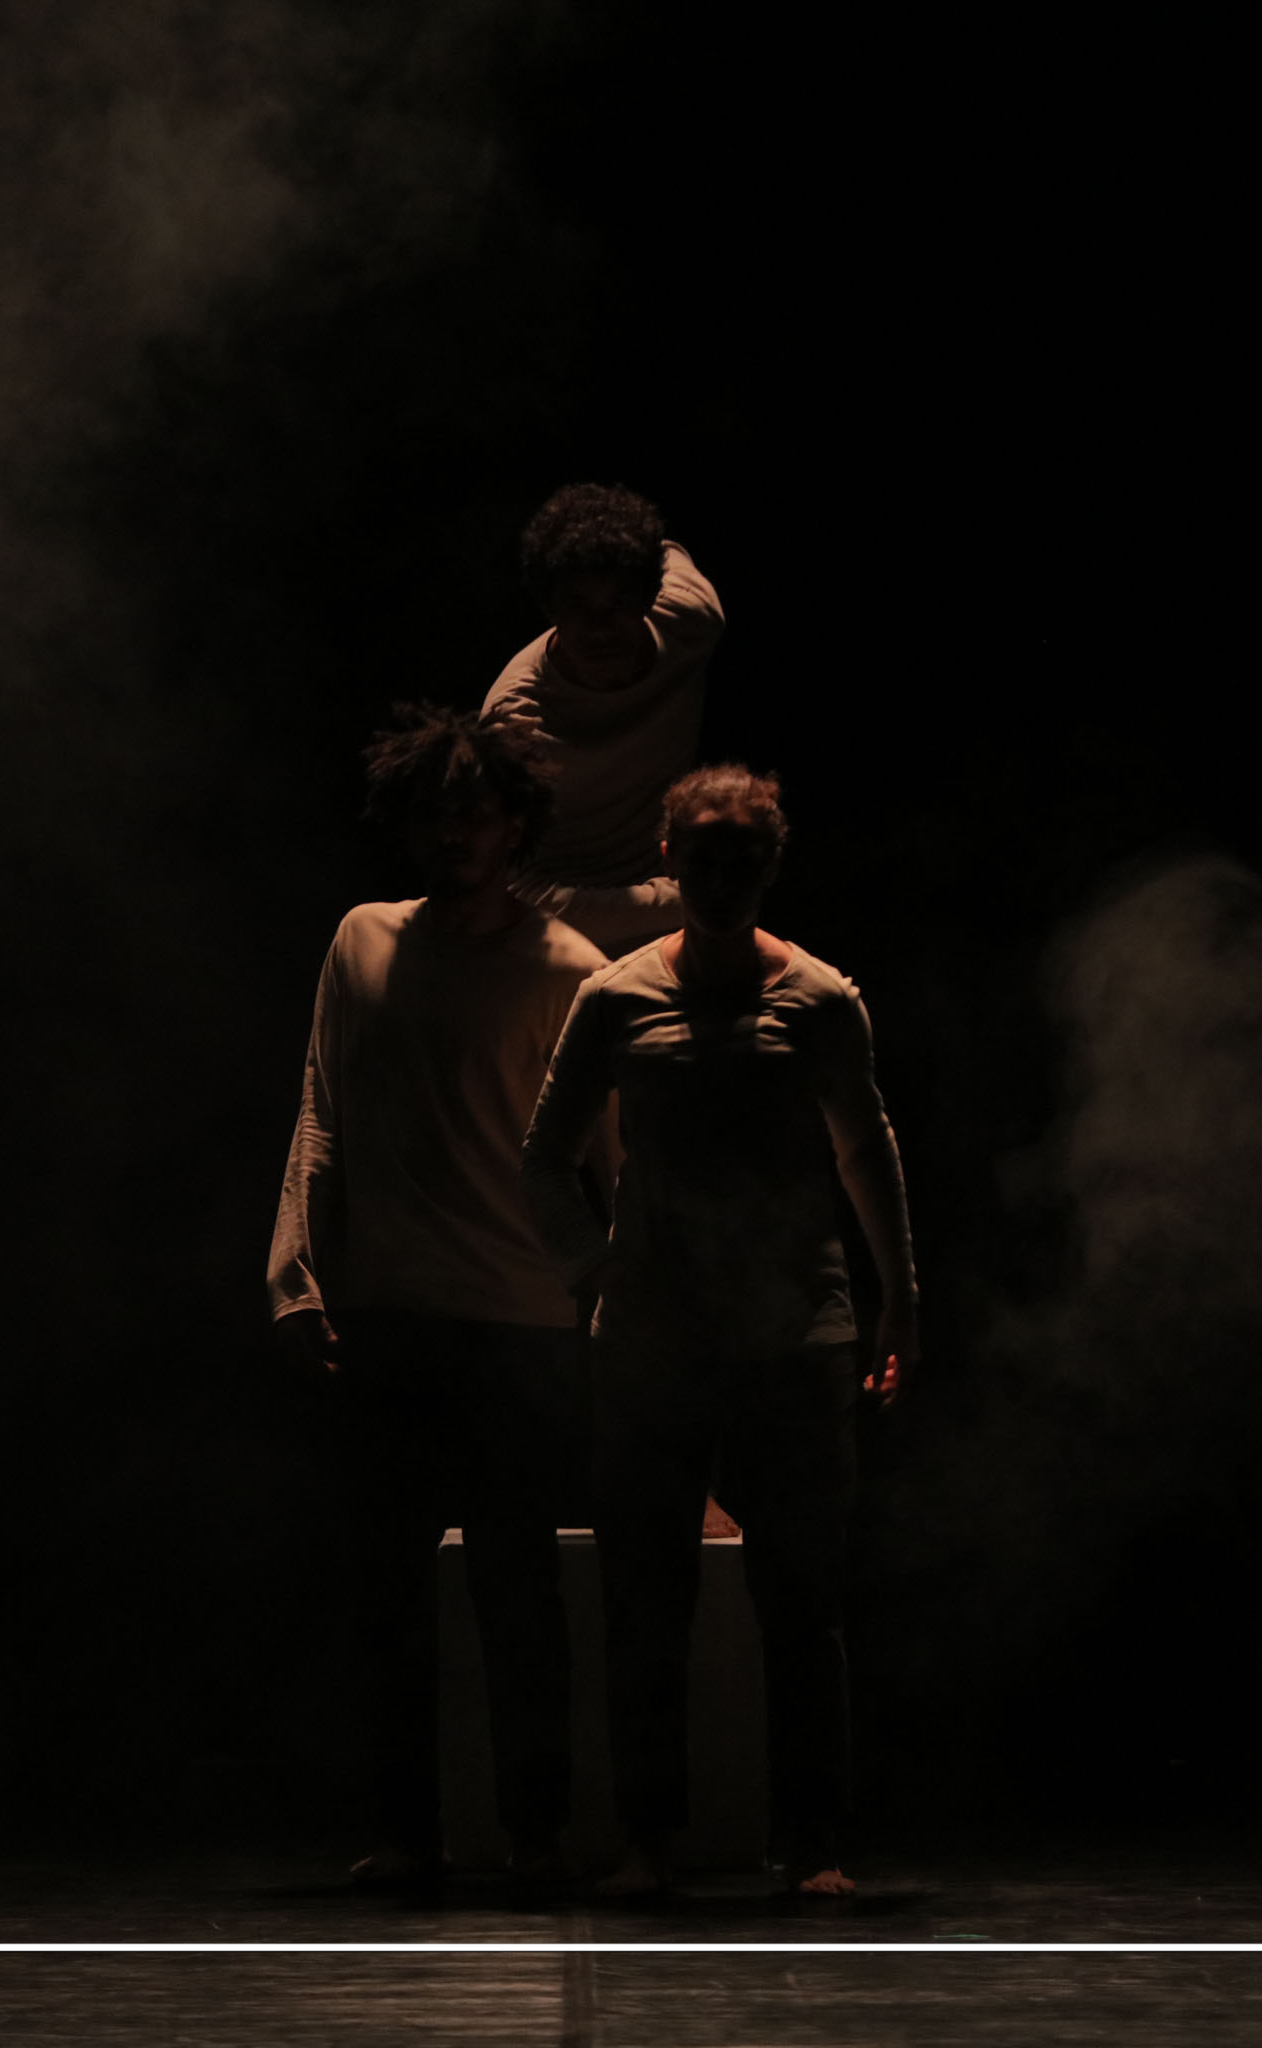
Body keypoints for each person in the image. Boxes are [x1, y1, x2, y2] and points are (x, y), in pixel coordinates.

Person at [520, 764, 917, 1899]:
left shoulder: (821, 998)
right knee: (646, 1599)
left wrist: (900, 1298)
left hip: (793, 1338)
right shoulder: (616, 996)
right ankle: (650, 1838)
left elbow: (865, 1148)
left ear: (770, 863)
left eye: (742, 856)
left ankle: (815, 1841)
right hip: (655, 1345)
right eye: (702, 854)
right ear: (670, 860)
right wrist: (595, 1266)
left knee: (803, 1598)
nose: (721, 874)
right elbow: (544, 1156)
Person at [268, 705, 617, 1888]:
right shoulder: (361, 938)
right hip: (389, 1313)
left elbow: (609, 1162)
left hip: (521, 1320)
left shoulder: (571, 971)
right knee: (386, 1591)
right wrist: (293, 1272)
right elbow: (321, 1106)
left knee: (520, 1589)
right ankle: (406, 1832)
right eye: (436, 812)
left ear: (517, 824)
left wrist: (615, 1303)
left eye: (476, 810)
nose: (455, 831)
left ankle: (537, 1832)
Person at [479, 484, 725, 954]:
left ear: (650, 595)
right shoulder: (517, 718)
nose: (600, 629)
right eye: (577, 606)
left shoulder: (691, 620)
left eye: (621, 602)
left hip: (682, 918)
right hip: (562, 939)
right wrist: (684, 900)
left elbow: (665, 550)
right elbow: (514, 891)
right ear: (549, 608)